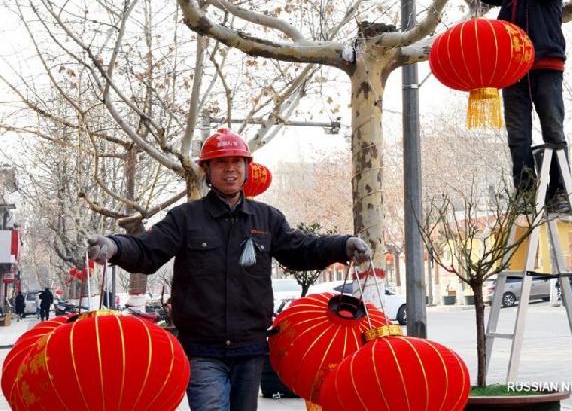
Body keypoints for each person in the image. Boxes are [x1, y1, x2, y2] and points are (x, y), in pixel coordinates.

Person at [87, 128, 371, 411]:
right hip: (201, 350)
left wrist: (342, 245)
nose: (230, 169)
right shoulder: (185, 218)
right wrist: (115, 246)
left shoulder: (267, 218)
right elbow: (147, 252)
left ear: (247, 168)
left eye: (237, 161)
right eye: (221, 162)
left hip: (250, 347)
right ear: (207, 170)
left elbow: (301, 250)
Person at [461, 0, 570, 213]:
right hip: (513, 71)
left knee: (553, 129)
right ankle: (525, 194)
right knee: (518, 136)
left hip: (546, 67)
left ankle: (560, 193)